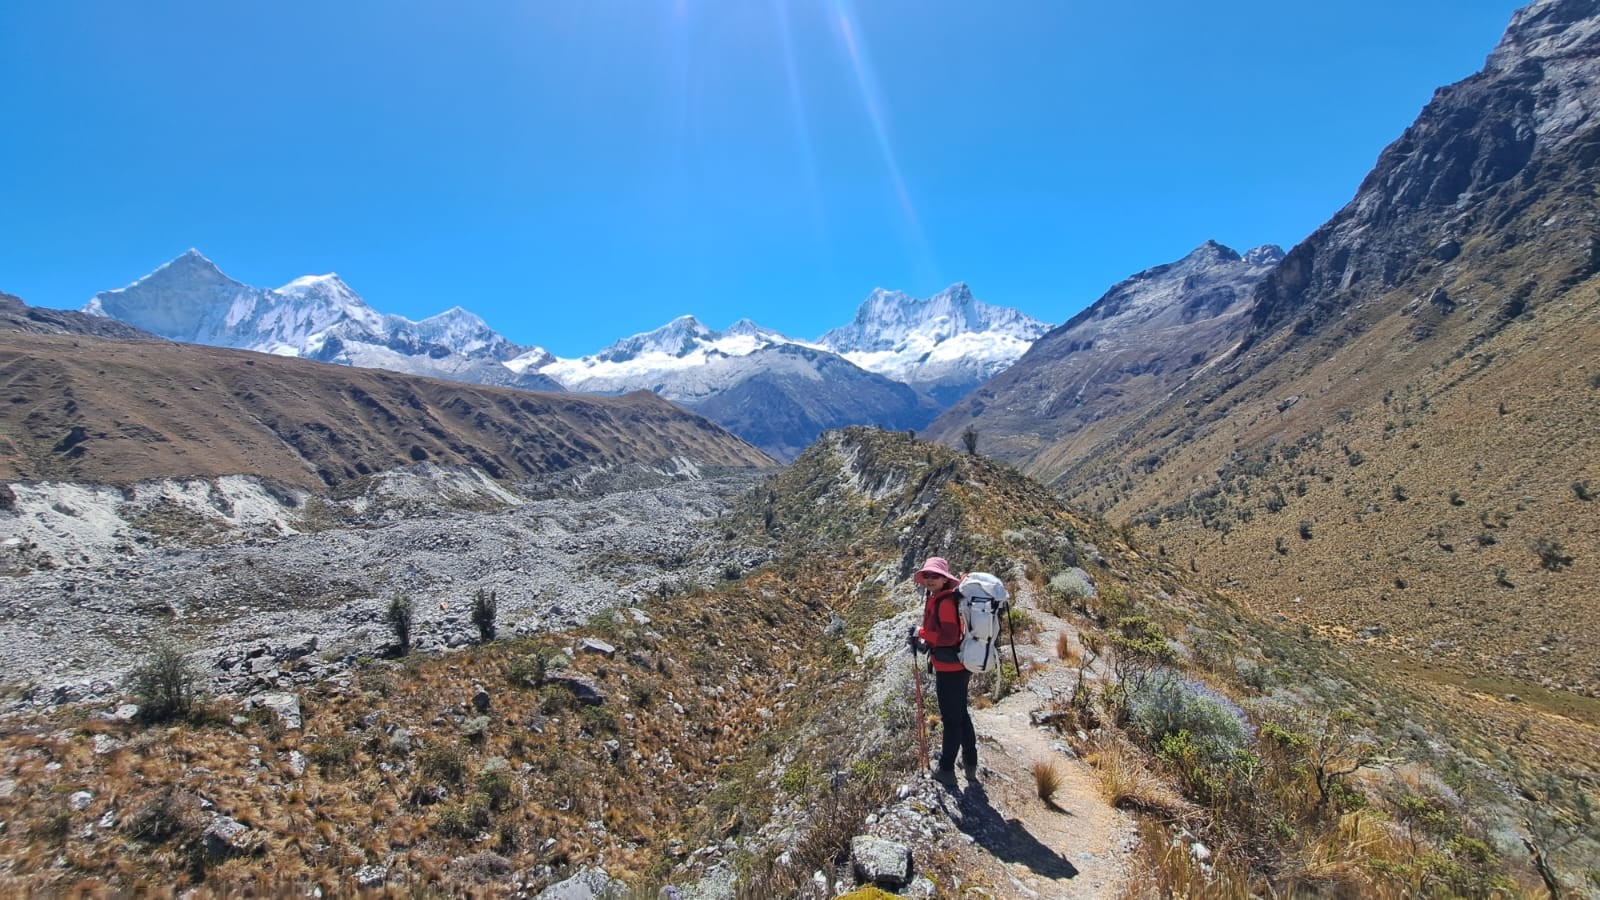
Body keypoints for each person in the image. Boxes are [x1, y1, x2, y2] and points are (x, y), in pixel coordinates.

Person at [911, 556, 976, 787]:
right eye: (927, 575)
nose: (929, 579)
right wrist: (925, 639)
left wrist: (922, 633)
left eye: (934, 576)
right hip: (958, 664)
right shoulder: (942, 597)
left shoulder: (946, 602)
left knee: (951, 719)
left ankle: (947, 769)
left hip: (951, 668)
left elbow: (948, 637)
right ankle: (970, 762)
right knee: (960, 713)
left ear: (944, 578)